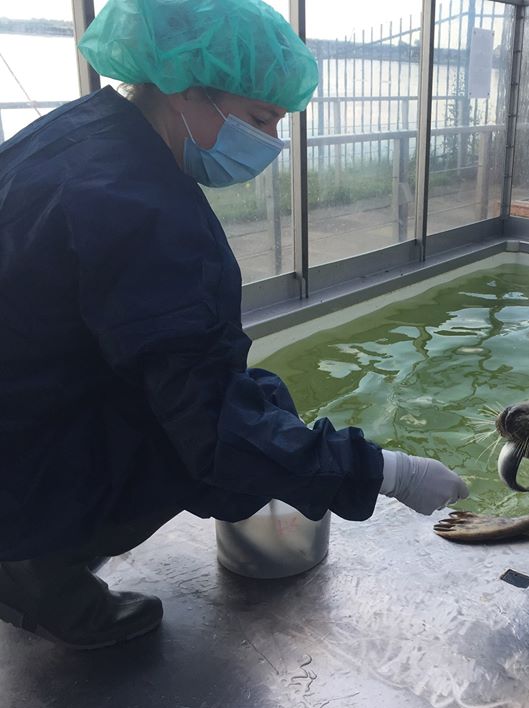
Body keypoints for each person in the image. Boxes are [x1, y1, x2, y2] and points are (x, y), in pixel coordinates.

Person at [0, 0, 468, 650]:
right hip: (17, 458)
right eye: (258, 119)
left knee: (256, 397)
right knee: (200, 446)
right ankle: (39, 577)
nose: (272, 143)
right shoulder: (144, 210)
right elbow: (214, 433)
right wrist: (387, 472)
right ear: (185, 89)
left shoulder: (79, 133)